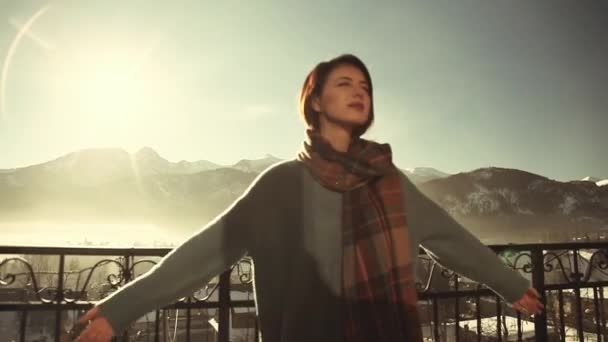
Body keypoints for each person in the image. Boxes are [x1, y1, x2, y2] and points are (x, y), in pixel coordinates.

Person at [75, 54, 544, 342]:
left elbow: (450, 237)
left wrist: (509, 283)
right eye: (345, 83)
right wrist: (120, 309)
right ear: (315, 102)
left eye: (365, 87)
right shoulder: (281, 186)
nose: (359, 91)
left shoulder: (390, 182)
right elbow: (205, 252)